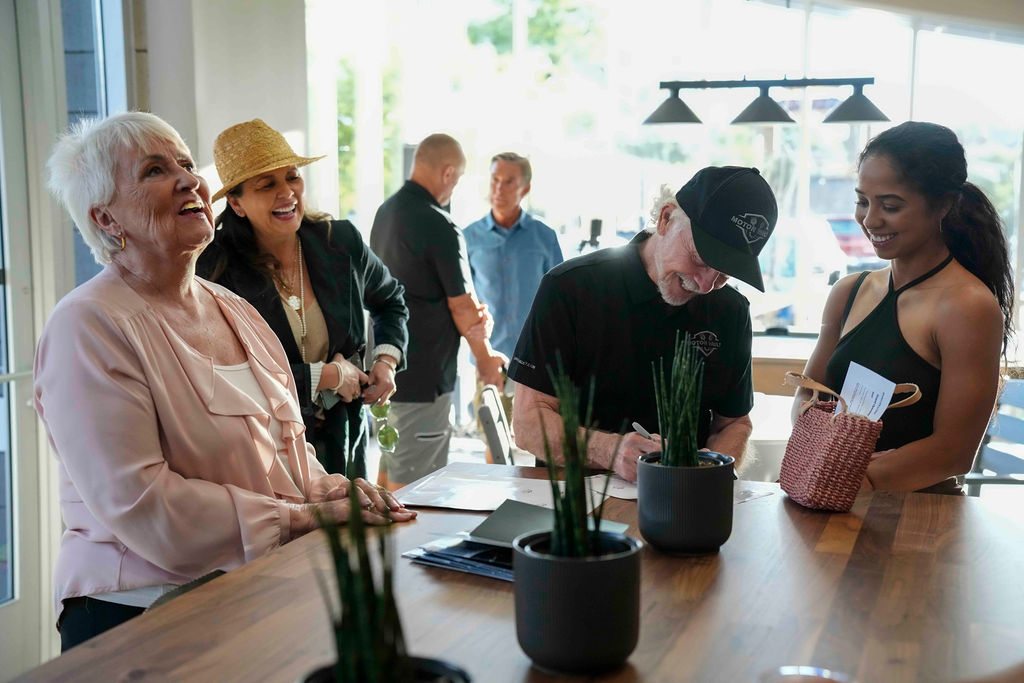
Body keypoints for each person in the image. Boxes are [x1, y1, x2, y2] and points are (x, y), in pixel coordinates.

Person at [37, 112, 415, 651]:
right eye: (154, 171)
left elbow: (289, 450)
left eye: (188, 164)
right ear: (106, 218)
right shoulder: (88, 324)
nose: (191, 179)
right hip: (140, 616)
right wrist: (301, 519)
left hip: (248, 591)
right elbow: (147, 507)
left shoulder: (233, 310)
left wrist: (338, 492)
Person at [510, 166, 778, 482]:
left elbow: (733, 424)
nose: (705, 285)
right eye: (699, 259)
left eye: (723, 274)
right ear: (665, 218)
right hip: (578, 507)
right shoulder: (570, 289)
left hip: (682, 506)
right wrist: (606, 450)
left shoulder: (730, 311)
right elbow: (527, 423)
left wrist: (707, 469)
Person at [795, 121, 1012, 494]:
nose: (870, 220)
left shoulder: (967, 307)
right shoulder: (849, 292)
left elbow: (953, 452)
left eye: (890, 206)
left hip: (918, 524)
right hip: (832, 503)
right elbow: (810, 392)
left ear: (943, 205)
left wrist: (846, 477)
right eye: (862, 201)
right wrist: (815, 447)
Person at [197, 119, 408, 478]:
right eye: (267, 184)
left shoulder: (340, 242)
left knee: (349, 535)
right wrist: (323, 376)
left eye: (292, 177)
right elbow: (222, 377)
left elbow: (391, 301)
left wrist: (386, 361)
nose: (287, 193)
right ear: (236, 202)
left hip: (347, 444)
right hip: (270, 456)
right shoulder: (215, 271)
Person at [369, 134, 506, 489]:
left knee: (392, 472)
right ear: (447, 173)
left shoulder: (385, 213)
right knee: (417, 492)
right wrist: (487, 361)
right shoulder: (439, 224)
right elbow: (461, 305)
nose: (454, 188)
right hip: (424, 378)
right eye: (457, 180)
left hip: (389, 370)